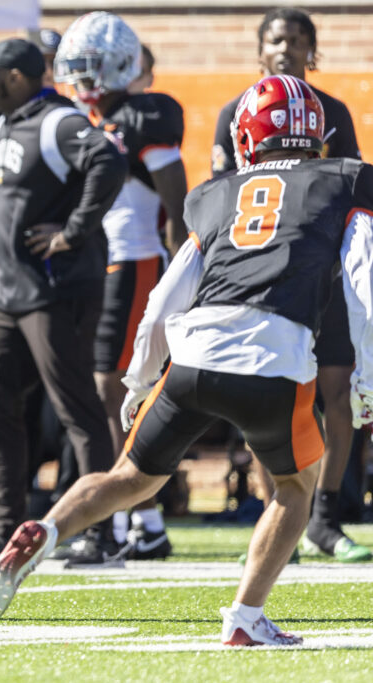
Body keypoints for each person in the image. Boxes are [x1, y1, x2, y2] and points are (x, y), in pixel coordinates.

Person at [0, 74, 373, 646]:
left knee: (130, 477)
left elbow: (165, 298)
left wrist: (140, 376)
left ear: (247, 136)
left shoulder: (215, 194)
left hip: (191, 356)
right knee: (294, 487)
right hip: (273, 357)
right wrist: (364, 372)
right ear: (316, 135)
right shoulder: (346, 179)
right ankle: (245, 617)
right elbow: (363, 281)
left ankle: (45, 527)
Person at [211, 7, 370, 562]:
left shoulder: (332, 113)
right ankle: (276, 512)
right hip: (260, 280)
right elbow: (219, 200)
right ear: (261, 51)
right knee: (266, 394)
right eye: (278, 38)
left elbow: (353, 198)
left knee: (339, 392)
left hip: (322, 275)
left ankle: (324, 516)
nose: (288, 48)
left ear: (313, 52)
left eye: (299, 40)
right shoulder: (237, 113)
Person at [0, 37, 126, 564]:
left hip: (56, 290)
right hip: (8, 293)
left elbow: (109, 160)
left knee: (77, 408)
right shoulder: (6, 121)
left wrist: (73, 231)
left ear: (14, 76)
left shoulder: (57, 120)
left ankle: (99, 532)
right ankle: (7, 529)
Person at [53, 11, 187, 563]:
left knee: (118, 387)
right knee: (104, 388)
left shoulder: (145, 114)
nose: (83, 81)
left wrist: (186, 277)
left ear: (121, 66)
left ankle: (138, 514)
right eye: (76, 69)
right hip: (98, 263)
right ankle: (142, 518)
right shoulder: (84, 117)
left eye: (92, 69)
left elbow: (177, 209)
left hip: (134, 262)